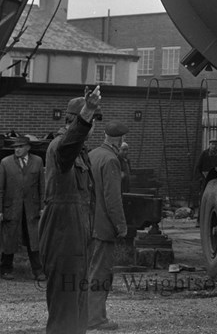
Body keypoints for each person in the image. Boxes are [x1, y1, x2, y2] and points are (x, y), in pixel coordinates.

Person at [39, 86, 101, 334]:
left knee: (77, 299)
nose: (94, 124)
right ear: (75, 121)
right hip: (62, 231)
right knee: (65, 303)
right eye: (91, 120)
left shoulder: (80, 152)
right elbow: (70, 142)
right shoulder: (60, 147)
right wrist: (89, 110)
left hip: (77, 233)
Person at [87, 120, 129, 332]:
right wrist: (121, 225)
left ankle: (84, 314)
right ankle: (96, 319)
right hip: (103, 227)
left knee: (88, 270)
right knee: (101, 272)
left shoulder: (93, 154)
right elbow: (113, 199)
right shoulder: (111, 160)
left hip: (87, 224)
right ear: (120, 139)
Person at [0, 135, 44, 279]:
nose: (17, 150)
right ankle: (6, 269)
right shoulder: (5, 163)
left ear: (28, 148)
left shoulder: (37, 162)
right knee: (9, 237)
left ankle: (38, 270)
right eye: (15, 147)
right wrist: (0, 210)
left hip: (31, 208)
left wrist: (42, 206)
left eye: (20, 147)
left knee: (34, 238)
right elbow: (1, 188)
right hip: (11, 207)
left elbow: (41, 187)